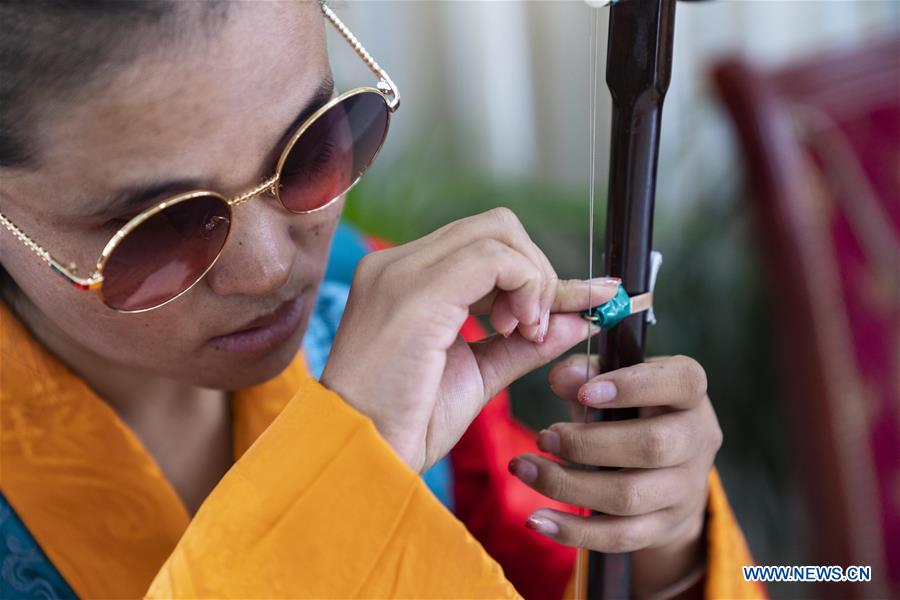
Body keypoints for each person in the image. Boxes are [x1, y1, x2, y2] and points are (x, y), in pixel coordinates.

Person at [0, 1, 762, 598]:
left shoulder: (362, 312)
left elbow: (532, 561)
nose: (269, 269)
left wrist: (661, 550)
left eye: (312, 147)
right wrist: (340, 476)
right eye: (157, 230)